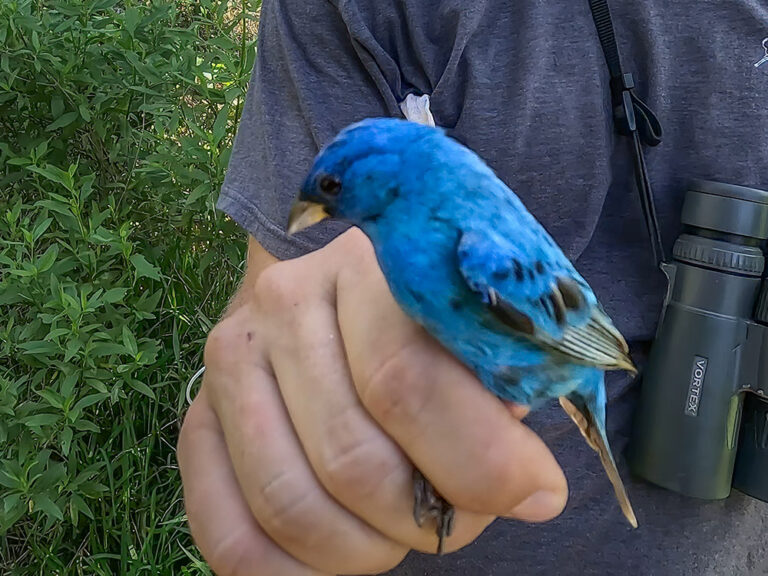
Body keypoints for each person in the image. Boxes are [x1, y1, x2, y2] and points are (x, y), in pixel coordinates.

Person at [176, 1, 768, 574]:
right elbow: (279, 301)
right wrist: (267, 397)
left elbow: (566, 313)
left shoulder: (478, 249)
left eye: (328, 189)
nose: (311, 208)